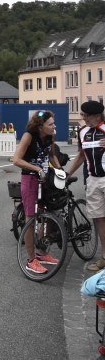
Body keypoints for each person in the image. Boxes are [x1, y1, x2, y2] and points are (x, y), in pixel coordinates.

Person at [12, 110, 61, 275]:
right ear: (41, 126)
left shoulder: (50, 136)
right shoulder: (28, 136)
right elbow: (16, 159)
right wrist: (36, 168)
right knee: (31, 218)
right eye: (51, 124)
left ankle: (42, 253)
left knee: (46, 215)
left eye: (54, 123)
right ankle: (31, 260)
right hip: (30, 179)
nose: (54, 126)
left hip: (45, 180)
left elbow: (52, 155)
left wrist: (61, 172)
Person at [65, 101, 105, 271]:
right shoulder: (82, 132)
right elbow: (82, 155)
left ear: (97, 116)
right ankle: (104, 257)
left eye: (85, 116)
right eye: (82, 115)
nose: (83, 119)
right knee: (98, 218)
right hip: (93, 180)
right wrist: (68, 173)